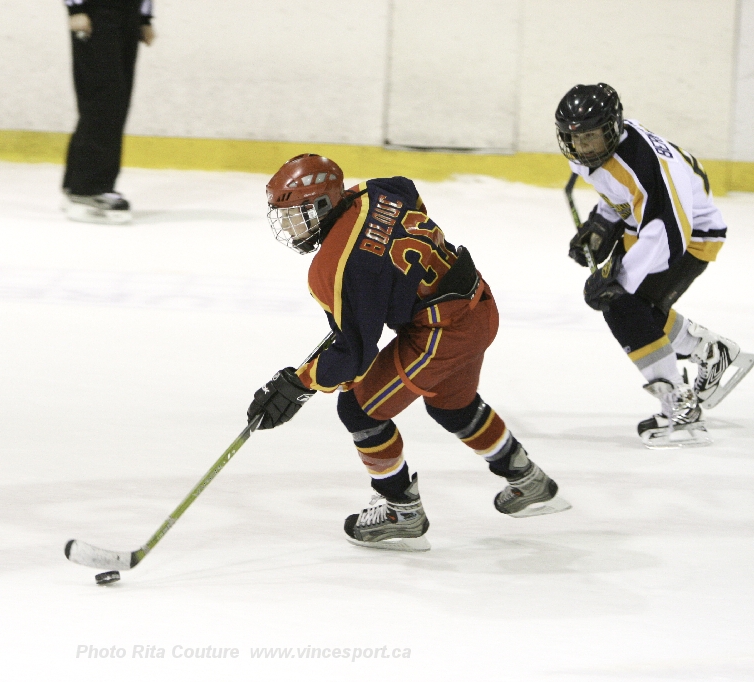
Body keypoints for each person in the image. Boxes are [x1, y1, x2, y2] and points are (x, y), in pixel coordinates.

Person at [245, 154, 570, 552]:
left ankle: (400, 509)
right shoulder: (375, 190)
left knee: (359, 409)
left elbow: (354, 359)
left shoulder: (334, 266)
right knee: (453, 405)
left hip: (443, 331)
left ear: (325, 204)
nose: (289, 226)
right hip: (478, 304)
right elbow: (409, 193)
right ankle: (527, 479)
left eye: (296, 214)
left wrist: (299, 384)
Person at [555, 83, 751, 448]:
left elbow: (668, 234)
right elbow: (619, 192)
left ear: (612, 128)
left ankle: (680, 409)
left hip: (691, 235)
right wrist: (602, 224)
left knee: (623, 306)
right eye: (574, 138)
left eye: (590, 137)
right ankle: (711, 352)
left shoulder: (645, 166)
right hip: (649, 227)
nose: (582, 147)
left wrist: (620, 280)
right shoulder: (597, 152)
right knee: (637, 309)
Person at [61, 0, 155, 224]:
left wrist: (144, 17)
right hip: (97, 11)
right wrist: (76, 8)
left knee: (116, 100)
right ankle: (88, 189)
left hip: (129, 13)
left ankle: (77, 184)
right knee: (103, 99)